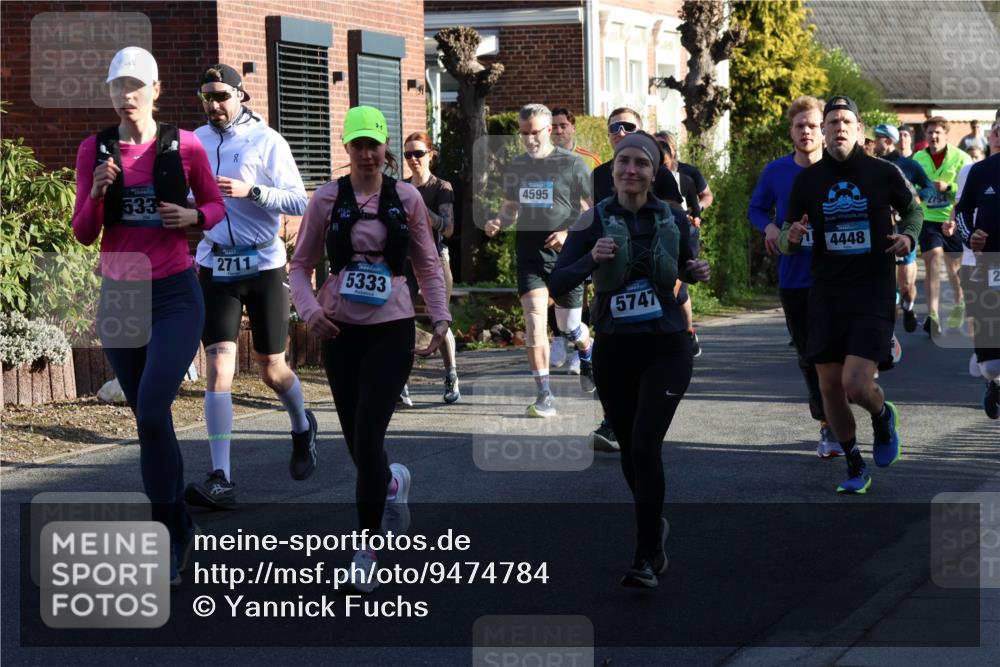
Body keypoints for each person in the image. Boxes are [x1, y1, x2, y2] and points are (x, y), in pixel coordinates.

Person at [72, 47, 225, 582]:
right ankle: (180, 522)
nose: (127, 93)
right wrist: (95, 192)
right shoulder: (95, 149)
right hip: (120, 295)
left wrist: (193, 214)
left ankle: (164, 534)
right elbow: (85, 232)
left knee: (156, 408)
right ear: (110, 92)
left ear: (156, 90)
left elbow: (215, 206)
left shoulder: (184, 146)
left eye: (137, 85)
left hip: (176, 295)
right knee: (148, 420)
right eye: (119, 85)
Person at [289, 106, 451, 592]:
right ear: (346, 148)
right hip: (339, 330)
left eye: (373, 145)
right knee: (361, 445)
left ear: (386, 150)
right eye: (357, 145)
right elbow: (299, 266)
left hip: (392, 327)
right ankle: (393, 483)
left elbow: (426, 262)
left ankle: (367, 548)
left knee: (367, 432)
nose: (365, 154)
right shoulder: (324, 199)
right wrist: (309, 311)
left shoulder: (406, 199)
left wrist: (440, 316)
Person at [550, 131, 711, 587]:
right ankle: (652, 524)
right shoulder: (591, 221)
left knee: (644, 445)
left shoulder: (674, 217)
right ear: (614, 168)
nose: (631, 170)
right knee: (627, 447)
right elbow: (559, 279)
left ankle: (644, 554)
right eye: (624, 162)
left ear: (654, 171)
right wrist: (589, 261)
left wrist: (697, 270)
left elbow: (687, 267)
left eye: (642, 162)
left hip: (666, 345)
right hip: (616, 347)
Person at [184, 64, 313, 510]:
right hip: (216, 263)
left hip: (262, 264)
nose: (214, 104)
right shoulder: (194, 142)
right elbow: (186, 195)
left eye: (222, 95)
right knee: (219, 367)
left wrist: (251, 190)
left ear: (242, 94)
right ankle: (222, 477)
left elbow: (299, 200)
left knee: (271, 369)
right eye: (207, 96)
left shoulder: (268, 141)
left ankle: (301, 425)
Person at [780, 95, 922, 494]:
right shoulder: (806, 181)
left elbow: (913, 211)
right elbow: (790, 237)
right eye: (832, 121)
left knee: (856, 384)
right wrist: (790, 237)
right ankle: (855, 465)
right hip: (826, 292)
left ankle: (881, 416)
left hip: (872, 290)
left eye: (847, 121)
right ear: (822, 131)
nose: (839, 127)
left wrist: (908, 236)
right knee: (829, 389)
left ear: (859, 130)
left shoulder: (883, 172)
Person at [484, 104, 595, 417]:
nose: (530, 138)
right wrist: (497, 221)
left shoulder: (573, 165)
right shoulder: (517, 166)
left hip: (567, 257)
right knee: (534, 322)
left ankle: (587, 350)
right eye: (524, 133)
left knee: (571, 326)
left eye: (535, 132)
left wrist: (567, 234)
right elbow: (510, 208)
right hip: (531, 254)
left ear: (549, 131)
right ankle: (544, 394)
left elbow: (591, 213)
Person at [587, 108, 686, 452]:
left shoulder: (660, 175)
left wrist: (672, 282)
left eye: (628, 126)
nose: (621, 130)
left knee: (644, 436)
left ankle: (684, 337)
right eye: (615, 127)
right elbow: (587, 219)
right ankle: (613, 420)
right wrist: (591, 255)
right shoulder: (599, 175)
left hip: (657, 289)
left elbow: (676, 230)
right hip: (612, 288)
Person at [749, 96, 840, 457]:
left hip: (837, 276)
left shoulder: (839, 170)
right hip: (794, 278)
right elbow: (756, 208)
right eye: (800, 125)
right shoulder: (776, 171)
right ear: (791, 131)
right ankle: (826, 421)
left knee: (838, 352)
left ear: (824, 130)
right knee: (808, 355)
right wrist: (770, 227)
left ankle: (837, 419)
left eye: (813, 125)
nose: (806, 131)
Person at [402, 130, 460, 404]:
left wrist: (420, 210)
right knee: (400, 321)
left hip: (436, 259)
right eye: (408, 155)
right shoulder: (401, 187)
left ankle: (450, 375)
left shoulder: (442, 187)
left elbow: (448, 229)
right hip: (405, 261)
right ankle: (400, 381)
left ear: (431, 155)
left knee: (440, 320)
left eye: (418, 154)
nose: (413, 159)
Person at [954, 117, 1000, 419]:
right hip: (985, 268)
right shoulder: (979, 171)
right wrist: (971, 235)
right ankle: (994, 383)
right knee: (991, 365)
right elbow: (961, 213)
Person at [872, 123, 935, 333]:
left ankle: (908, 307)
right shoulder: (870, 165)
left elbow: (929, 186)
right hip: (881, 229)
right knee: (883, 284)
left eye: (878, 137)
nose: (873, 141)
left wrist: (917, 197)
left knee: (906, 285)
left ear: (888, 141)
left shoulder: (908, 165)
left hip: (903, 228)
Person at [912, 116, 972, 336]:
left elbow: (968, 189)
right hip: (928, 218)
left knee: (954, 269)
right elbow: (909, 187)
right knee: (933, 260)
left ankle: (959, 303)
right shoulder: (917, 158)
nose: (934, 136)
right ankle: (933, 315)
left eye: (938, 132)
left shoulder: (961, 158)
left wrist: (948, 186)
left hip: (953, 218)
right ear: (925, 135)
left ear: (946, 135)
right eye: (929, 133)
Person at [656, 131, 703, 356]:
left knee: (678, 289)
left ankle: (684, 330)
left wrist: (695, 217)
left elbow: (698, 203)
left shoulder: (686, 177)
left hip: (682, 230)